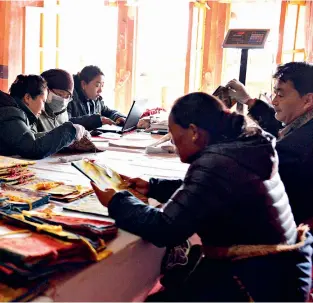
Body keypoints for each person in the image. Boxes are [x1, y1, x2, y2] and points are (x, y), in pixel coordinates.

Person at [91, 92, 312, 302]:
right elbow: (210, 190)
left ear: (194, 132)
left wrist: (116, 200)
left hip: (255, 284)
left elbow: (165, 228)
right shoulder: (243, 147)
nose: (174, 144)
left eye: (174, 135)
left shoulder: (216, 162)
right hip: (280, 273)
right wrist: (152, 187)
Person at [226, 61, 313, 225]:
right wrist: (250, 102)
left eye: (280, 95)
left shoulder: (294, 149)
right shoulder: (303, 125)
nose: (273, 101)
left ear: (308, 100)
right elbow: (278, 127)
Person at [0, 75, 85, 159]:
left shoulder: (13, 111)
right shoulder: (11, 114)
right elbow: (32, 148)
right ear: (27, 98)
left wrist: (67, 139)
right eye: (43, 101)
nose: (43, 109)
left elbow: (29, 138)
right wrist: (69, 131)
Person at [39, 68, 112, 132]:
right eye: (60, 94)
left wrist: (117, 117)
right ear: (46, 91)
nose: (63, 100)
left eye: (67, 96)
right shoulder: (37, 112)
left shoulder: (62, 111)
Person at [67, 65, 126, 130]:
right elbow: (66, 122)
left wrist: (118, 117)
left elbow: (107, 112)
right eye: (97, 85)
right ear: (83, 84)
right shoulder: (67, 98)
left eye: (102, 86)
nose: (101, 90)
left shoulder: (95, 99)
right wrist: (97, 120)